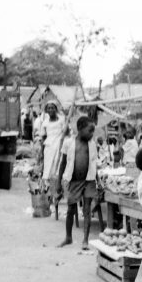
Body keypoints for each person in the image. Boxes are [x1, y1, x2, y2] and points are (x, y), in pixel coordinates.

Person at [56, 116, 99, 250]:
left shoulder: (92, 144)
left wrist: (98, 181)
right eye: (89, 131)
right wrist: (59, 182)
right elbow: (63, 163)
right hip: (74, 180)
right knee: (71, 209)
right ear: (79, 129)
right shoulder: (68, 143)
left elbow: (94, 164)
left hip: (89, 180)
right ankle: (68, 237)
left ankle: (85, 240)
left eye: (93, 131)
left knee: (87, 210)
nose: (92, 134)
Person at [39, 101, 66, 182]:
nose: (50, 110)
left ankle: (57, 182)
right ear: (46, 110)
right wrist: (41, 151)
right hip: (49, 147)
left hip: (59, 145)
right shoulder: (45, 122)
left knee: (58, 164)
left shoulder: (62, 120)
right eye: (49, 108)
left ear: (56, 109)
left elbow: (66, 133)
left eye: (52, 108)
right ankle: (47, 184)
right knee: (48, 165)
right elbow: (43, 137)